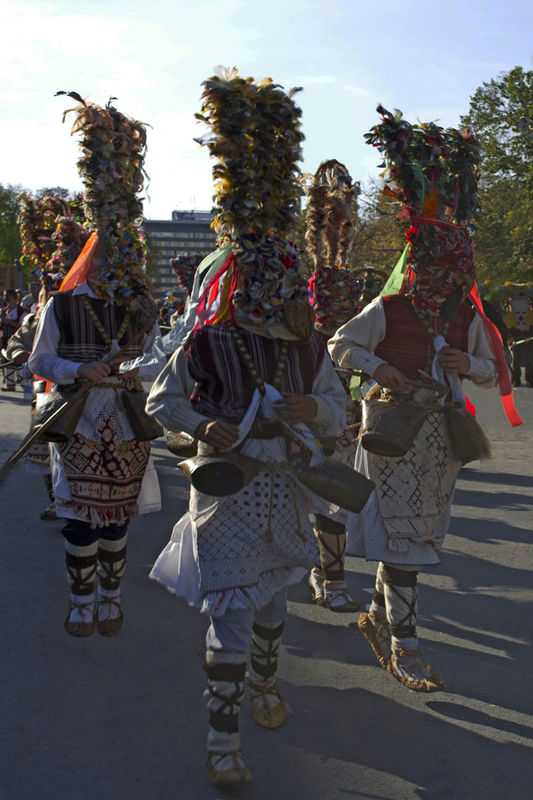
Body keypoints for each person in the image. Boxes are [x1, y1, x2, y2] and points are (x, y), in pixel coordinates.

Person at [146, 70, 347, 788]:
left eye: (286, 293)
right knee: (230, 612)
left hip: (287, 491)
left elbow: (338, 408)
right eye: (264, 293)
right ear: (239, 288)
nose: (277, 306)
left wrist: (313, 411)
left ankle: (266, 676)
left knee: (272, 605)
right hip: (226, 491)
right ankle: (222, 739)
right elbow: (161, 402)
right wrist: (207, 422)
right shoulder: (205, 340)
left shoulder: (308, 347)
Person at [329, 107, 520, 693]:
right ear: (421, 265)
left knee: (415, 537)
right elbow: (339, 346)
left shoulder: (466, 317)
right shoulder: (388, 309)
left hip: (442, 441)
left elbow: (493, 370)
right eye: (441, 270)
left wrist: (470, 365)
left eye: (456, 274)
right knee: (403, 541)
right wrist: (379, 365)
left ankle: (380, 617)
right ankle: (405, 648)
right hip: (391, 431)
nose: (450, 283)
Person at [29, 93, 162, 638]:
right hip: (78, 420)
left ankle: (111, 596)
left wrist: (133, 372)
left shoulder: (141, 308)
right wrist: (78, 371)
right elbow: (38, 360)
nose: (113, 260)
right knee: (79, 518)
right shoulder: (62, 305)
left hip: (126, 424)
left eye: (122, 251)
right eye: (105, 251)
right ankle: (81, 600)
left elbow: (159, 363)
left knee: (117, 516)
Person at [305, 159, 362, 612]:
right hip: (307, 410)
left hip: (349, 414)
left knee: (336, 499)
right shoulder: (303, 336)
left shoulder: (357, 332)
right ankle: (324, 573)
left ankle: (329, 575)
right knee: (317, 498)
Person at [1, 289, 27, 390]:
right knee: (6, 360)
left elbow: (23, 326)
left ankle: (22, 381)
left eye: (9, 296)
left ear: (15, 298)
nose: (6, 298)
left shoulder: (21, 311)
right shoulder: (4, 311)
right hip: (5, 338)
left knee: (18, 360)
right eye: (5, 296)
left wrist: (8, 322)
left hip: (17, 339)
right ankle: (10, 384)